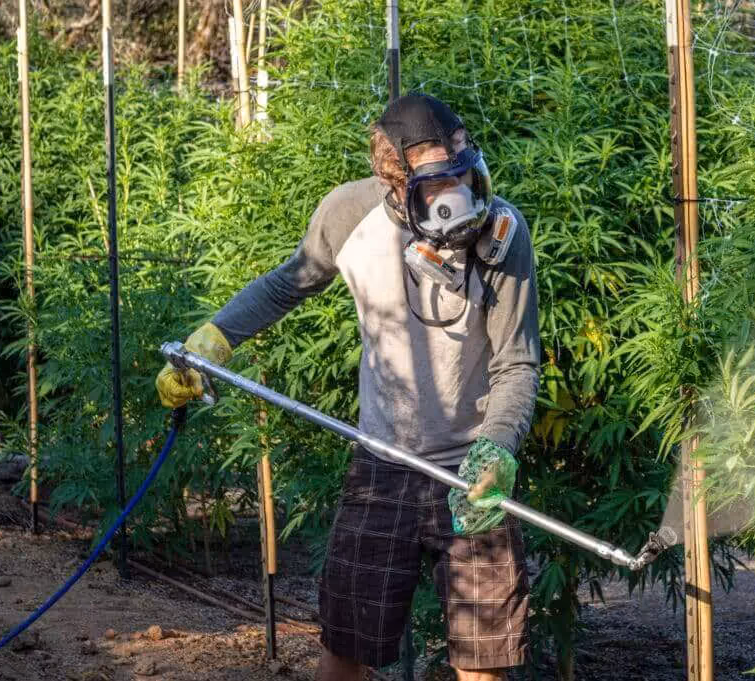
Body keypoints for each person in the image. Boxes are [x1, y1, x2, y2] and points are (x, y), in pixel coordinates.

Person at [155, 93, 540, 681]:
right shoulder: (348, 215)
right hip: (382, 464)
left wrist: (498, 447)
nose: (461, 194)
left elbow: (517, 363)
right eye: (441, 182)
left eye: (466, 173)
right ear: (395, 181)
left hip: (472, 470)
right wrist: (213, 340)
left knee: (483, 661)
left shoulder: (502, 234)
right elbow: (286, 284)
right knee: (344, 649)